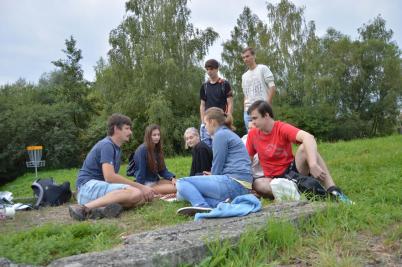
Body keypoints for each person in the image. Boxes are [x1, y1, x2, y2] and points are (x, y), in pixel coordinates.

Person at [246, 100, 352, 203]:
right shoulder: (252, 135)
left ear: (266, 115)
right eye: (251, 119)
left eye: (255, 118)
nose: (252, 123)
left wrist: (313, 164)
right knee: (258, 184)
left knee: (303, 148)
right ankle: (300, 191)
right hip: (273, 180)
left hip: (293, 171)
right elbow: (246, 162)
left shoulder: (281, 128)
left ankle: (333, 190)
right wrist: (246, 186)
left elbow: (308, 137)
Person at [69, 114, 155, 221]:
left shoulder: (116, 148)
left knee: (144, 197)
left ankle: (100, 209)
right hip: (87, 188)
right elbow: (109, 177)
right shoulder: (107, 145)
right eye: (127, 128)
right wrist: (141, 187)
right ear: (115, 129)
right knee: (136, 193)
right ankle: (83, 209)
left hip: (97, 191)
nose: (130, 132)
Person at [176, 107, 252, 216]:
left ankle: (201, 205)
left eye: (205, 124)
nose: (205, 127)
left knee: (181, 182)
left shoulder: (220, 135)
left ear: (212, 122)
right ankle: (222, 203)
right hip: (242, 186)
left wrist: (211, 176)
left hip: (234, 183)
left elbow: (217, 165)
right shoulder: (226, 133)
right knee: (181, 194)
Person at [131, 124, 176, 195]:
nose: (157, 137)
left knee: (179, 183)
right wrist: (141, 189)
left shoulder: (157, 149)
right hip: (146, 185)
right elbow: (140, 172)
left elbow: (162, 170)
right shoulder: (142, 150)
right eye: (154, 135)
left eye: (158, 135)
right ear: (148, 136)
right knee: (177, 188)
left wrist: (172, 178)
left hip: (156, 181)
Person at [199, 59, 233, 147]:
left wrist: (229, 116)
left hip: (221, 121)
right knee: (207, 147)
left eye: (211, 69)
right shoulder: (204, 86)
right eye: (207, 69)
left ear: (217, 69)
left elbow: (230, 103)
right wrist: (203, 121)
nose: (209, 71)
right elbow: (202, 105)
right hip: (208, 121)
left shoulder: (225, 84)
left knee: (221, 146)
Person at [241, 47, 276, 130]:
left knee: (266, 135)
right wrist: (245, 109)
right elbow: (245, 94)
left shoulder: (263, 69)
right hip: (248, 112)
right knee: (252, 138)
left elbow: (272, 87)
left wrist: (267, 105)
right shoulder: (244, 76)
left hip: (261, 108)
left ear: (254, 56)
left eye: (247, 56)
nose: (245, 59)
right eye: (243, 57)